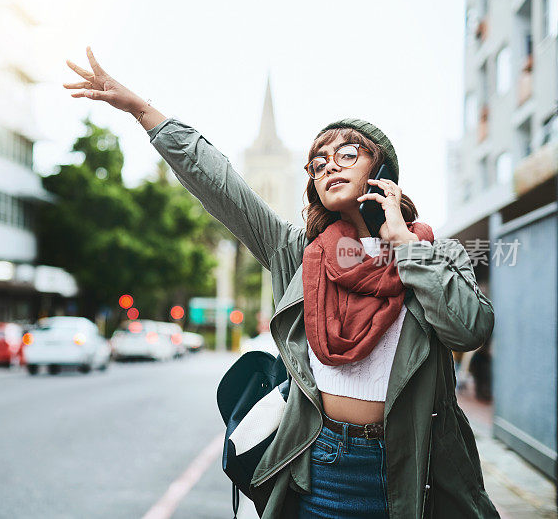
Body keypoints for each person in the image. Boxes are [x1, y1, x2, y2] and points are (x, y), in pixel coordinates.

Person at [64, 47, 499, 519]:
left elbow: (469, 329)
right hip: (320, 466)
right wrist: (143, 111)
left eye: (347, 153)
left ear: (381, 170)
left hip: (412, 473)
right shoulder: (298, 254)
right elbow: (221, 184)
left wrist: (404, 245)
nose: (329, 164)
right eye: (318, 162)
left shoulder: (436, 254)